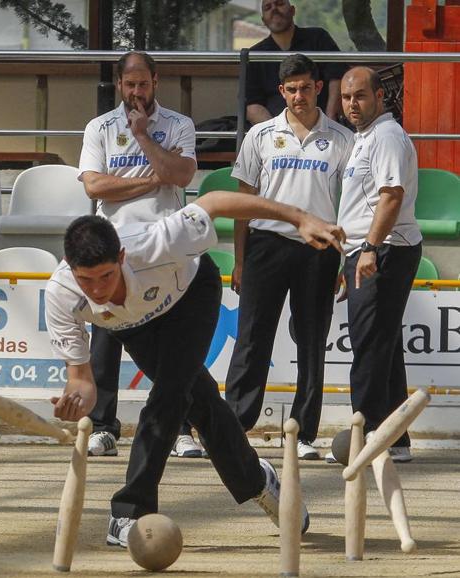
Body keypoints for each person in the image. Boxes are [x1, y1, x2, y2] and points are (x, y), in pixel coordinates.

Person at [45, 191, 346, 545]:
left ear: (122, 257)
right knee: (199, 400)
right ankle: (256, 478)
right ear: (69, 265)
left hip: (191, 296)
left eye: (106, 276)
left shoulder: (158, 242)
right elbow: (81, 381)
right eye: (86, 280)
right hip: (133, 326)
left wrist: (299, 218)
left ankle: (128, 511)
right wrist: (76, 401)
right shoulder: (60, 294)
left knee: (169, 395)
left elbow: (216, 202)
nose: (97, 290)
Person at [225, 54, 353, 460]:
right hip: (266, 244)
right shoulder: (260, 136)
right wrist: (241, 261)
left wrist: (345, 258)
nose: (299, 95)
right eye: (291, 89)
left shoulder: (342, 139)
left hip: (319, 249)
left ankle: (304, 433)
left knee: (312, 340)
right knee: (251, 338)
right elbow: (243, 204)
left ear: (319, 87)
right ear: (281, 91)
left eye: (306, 87)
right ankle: (235, 425)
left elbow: (349, 206)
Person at [78, 50, 202, 458]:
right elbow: (95, 187)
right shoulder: (99, 127)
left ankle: (181, 426)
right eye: (129, 85)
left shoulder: (178, 124)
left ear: (155, 81)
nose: (136, 92)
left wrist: (145, 136)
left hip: (165, 244)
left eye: (143, 84)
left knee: (173, 341)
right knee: (108, 333)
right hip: (112, 245)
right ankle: (103, 425)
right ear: (119, 84)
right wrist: (152, 180)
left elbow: (181, 175)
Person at [336, 66, 422, 463]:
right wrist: (350, 253)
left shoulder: (386, 135)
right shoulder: (363, 137)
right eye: (347, 97)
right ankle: (395, 439)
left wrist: (368, 248)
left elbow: (391, 196)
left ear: (379, 98)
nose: (352, 104)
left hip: (385, 248)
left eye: (360, 96)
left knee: (369, 343)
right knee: (383, 344)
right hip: (370, 249)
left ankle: (367, 431)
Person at [246, 0, 347, 125]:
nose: (274, 9)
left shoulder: (318, 38)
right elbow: (252, 105)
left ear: (293, 10)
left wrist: (329, 121)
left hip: (321, 127)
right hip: (277, 134)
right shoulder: (255, 55)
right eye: (268, 7)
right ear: (263, 20)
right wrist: (276, 133)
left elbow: (337, 77)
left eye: (279, 4)